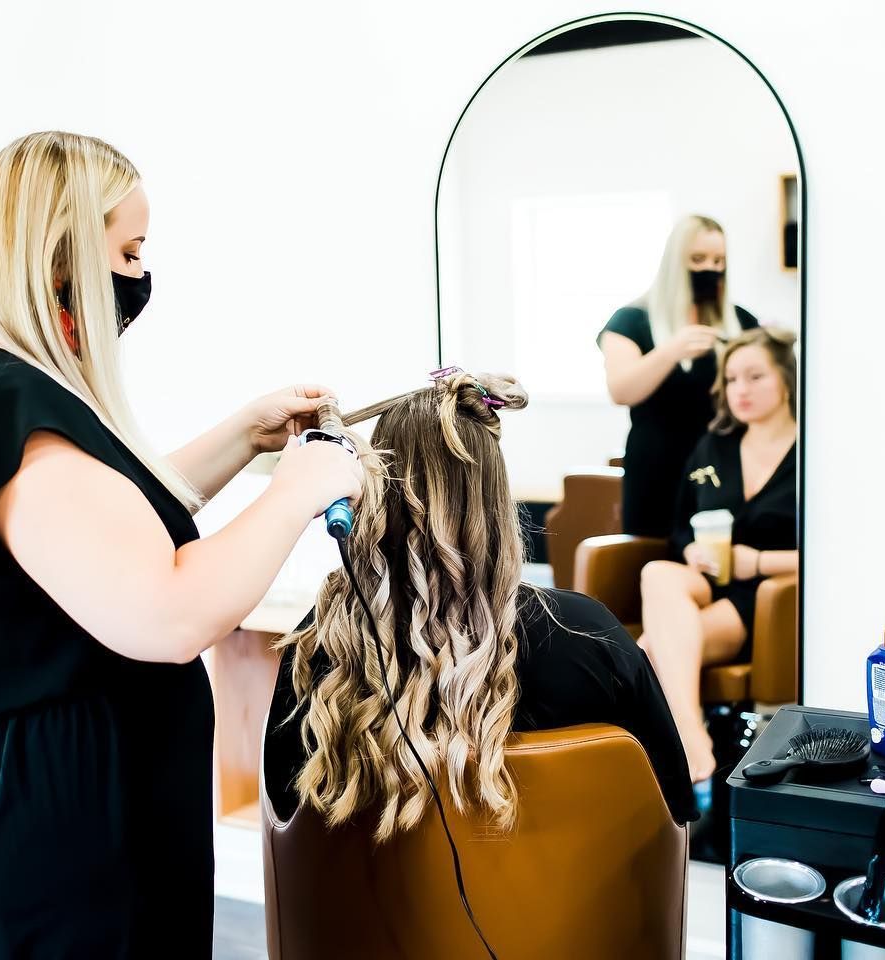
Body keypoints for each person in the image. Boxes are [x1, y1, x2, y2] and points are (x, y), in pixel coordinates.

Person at [0, 132, 363, 958]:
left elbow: (103, 534)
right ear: (57, 256)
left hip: (68, 780)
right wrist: (301, 489)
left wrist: (247, 438)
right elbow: (163, 613)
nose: (137, 276)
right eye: (127, 251)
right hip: (77, 808)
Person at [264, 372, 697, 834]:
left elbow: (285, 808)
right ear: (497, 496)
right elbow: (671, 804)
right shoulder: (584, 632)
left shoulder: (325, 640)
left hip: (363, 907)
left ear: (372, 488)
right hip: (568, 906)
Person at [636, 327, 799, 782]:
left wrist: (760, 562)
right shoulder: (714, 446)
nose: (740, 390)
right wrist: (690, 549)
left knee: (650, 649)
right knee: (657, 571)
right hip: (706, 582)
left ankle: (678, 751)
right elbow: (679, 525)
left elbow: (833, 556)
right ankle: (693, 741)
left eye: (754, 377)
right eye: (731, 380)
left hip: (763, 597)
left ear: (786, 379)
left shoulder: (811, 454)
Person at [598, 215, 761, 538]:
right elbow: (621, 391)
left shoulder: (740, 322)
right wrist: (670, 352)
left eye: (719, 261)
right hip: (657, 469)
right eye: (698, 259)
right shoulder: (631, 322)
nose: (710, 269)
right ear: (675, 264)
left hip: (724, 466)